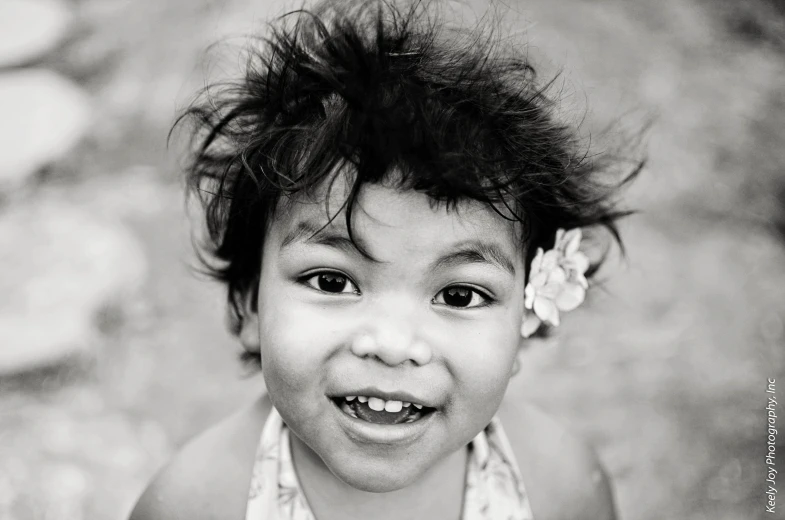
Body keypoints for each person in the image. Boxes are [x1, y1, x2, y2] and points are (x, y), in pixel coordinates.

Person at [130, 1, 641, 518]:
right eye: (331, 281)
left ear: (524, 319)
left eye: (459, 295)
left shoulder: (556, 484)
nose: (394, 346)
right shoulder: (195, 504)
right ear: (248, 305)